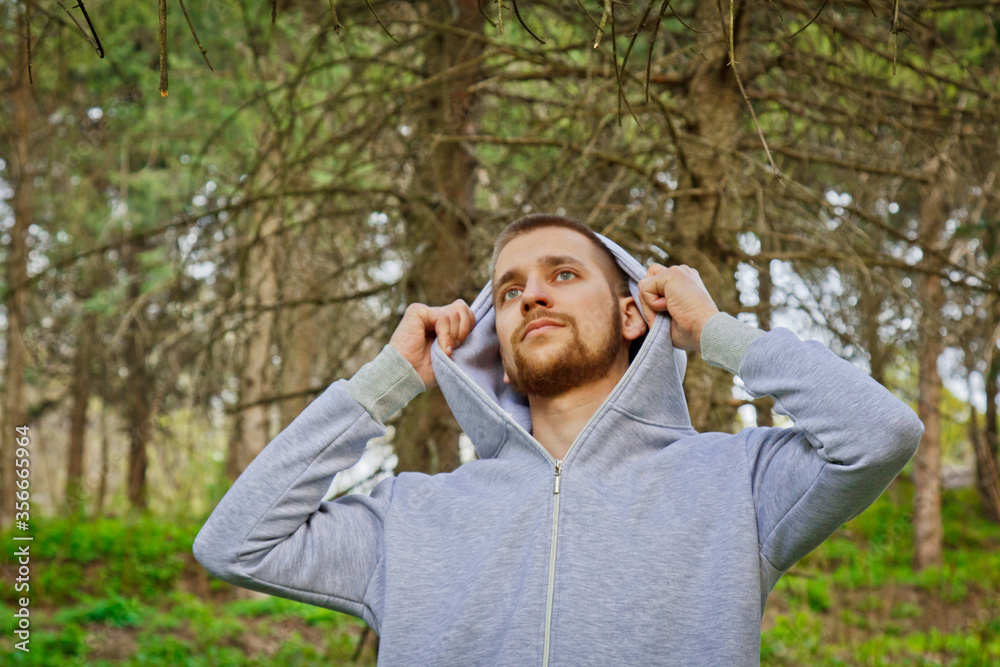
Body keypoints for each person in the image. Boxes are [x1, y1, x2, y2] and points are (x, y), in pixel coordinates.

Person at [193, 213, 924, 666]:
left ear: (634, 312)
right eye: (509, 291)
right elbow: (233, 542)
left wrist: (713, 332)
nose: (531, 295)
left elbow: (880, 432)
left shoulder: (739, 482)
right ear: (494, 335)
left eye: (563, 274)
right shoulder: (412, 517)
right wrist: (387, 381)